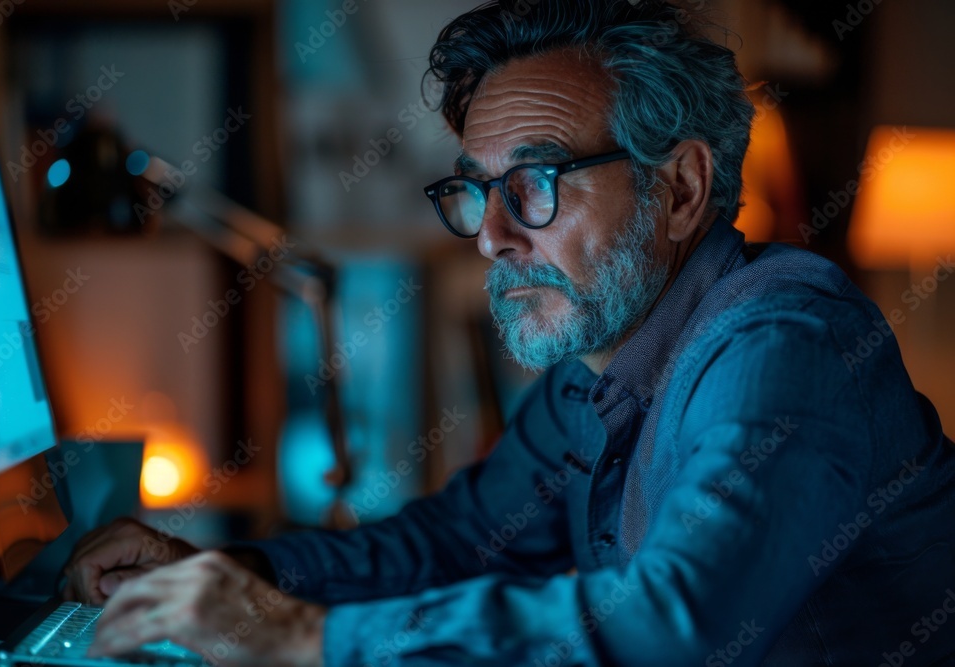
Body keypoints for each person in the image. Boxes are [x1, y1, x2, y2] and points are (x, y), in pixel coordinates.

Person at [64, 1, 955, 665]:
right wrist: (222, 571)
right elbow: (449, 543)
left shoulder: (786, 343)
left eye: (537, 182)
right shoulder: (592, 367)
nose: (492, 235)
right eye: (475, 190)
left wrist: (303, 635)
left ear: (680, 188)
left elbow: (676, 625)